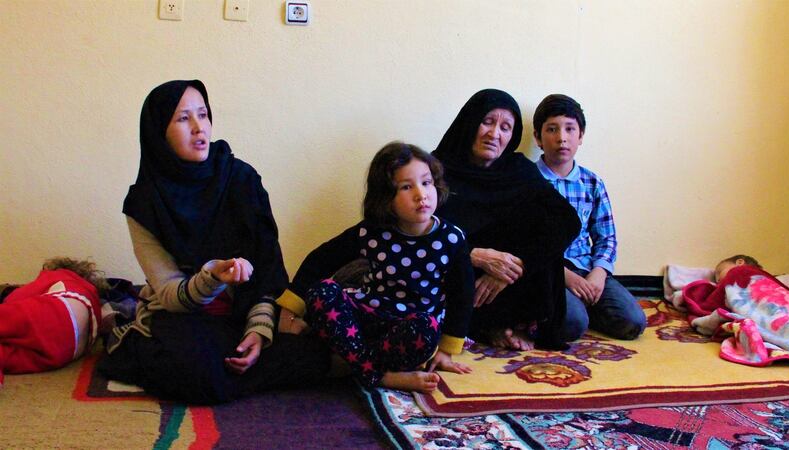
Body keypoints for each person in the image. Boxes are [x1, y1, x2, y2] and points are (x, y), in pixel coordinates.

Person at [97, 80, 330, 404]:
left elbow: (267, 271)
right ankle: (134, 341)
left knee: (316, 350)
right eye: (182, 119)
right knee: (201, 375)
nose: (198, 127)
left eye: (203, 115)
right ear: (158, 132)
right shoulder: (144, 203)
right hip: (182, 313)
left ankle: (226, 367)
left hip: (240, 311)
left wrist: (258, 330)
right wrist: (213, 277)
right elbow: (170, 294)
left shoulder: (242, 180)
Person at [275, 142, 475, 393]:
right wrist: (289, 310)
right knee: (322, 292)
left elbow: (462, 295)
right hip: (366, 316)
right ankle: (378, 375)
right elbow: (321, 259)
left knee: (426, 329)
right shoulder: (372, 231)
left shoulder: (452, 238)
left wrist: (446, 350)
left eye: (426, 183)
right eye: (406, 186)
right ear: (386, 197)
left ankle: (352, 362)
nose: (421, 194)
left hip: (410, 330)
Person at [432, 89, 581, 351]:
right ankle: (486, 327)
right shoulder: (436, 169)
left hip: (510, 280)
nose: (494, 134)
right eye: (487, 122)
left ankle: (505, 324)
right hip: (460, 278)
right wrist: (475, 256)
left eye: (505, 127)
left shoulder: (519, 170)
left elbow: (567, 221)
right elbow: (421, 232)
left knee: (573, 324)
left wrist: (514, 267)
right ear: (469, 122)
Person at [533, 94, 646, 341]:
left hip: (587, 268)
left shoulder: (592, 182)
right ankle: (572, 311)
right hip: (550, 272)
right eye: (552, 129)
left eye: (570, 129)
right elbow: (526, 242)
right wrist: (565, 276)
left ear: (580, 136)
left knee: (633, 323)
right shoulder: (528, 180)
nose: (561, 137)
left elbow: (607, 238)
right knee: (571, 324)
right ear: (538, 138)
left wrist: (599, 273)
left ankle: (584, 304)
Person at [0, 258, 107, 386]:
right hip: (65, 352)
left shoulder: (61, 275)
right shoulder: (89, 293)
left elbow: (14, 298)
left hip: (59, 312)